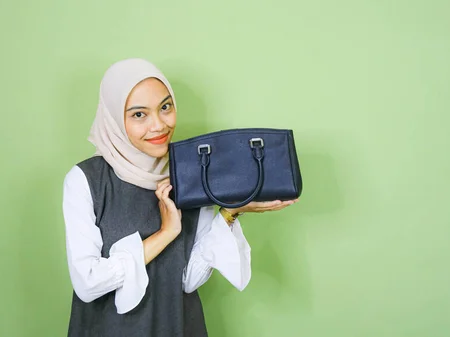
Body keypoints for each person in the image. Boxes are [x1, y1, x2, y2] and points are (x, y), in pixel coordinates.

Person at [62, 58, 298, 337]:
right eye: (139, 114)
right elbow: (88, 283)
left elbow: (188, 281)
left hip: (178, 326)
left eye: (165, 107)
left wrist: (231, 212)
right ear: (114, 117)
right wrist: (166, 232)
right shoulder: (87, 180)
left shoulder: (193, 170)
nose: (159, 125)